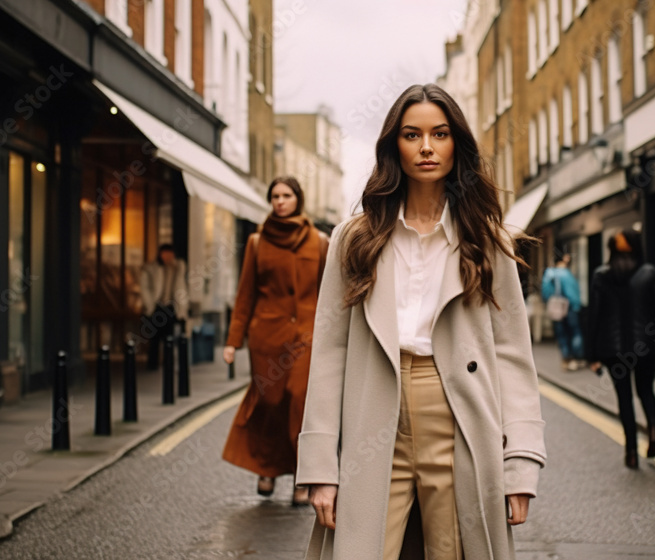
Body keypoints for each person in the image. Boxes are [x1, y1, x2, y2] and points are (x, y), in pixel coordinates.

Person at [296, 84, 546, 560]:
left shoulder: (486, 239)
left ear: (457, 145)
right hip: (373, 406)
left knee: (455, 549)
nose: (427, 147)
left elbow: (513, 355)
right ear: (395, 146)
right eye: (412, 135)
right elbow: (330, 350)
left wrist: (521, 462)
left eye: (440, 134)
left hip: (455, 411)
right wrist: (321, 467)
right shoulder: (355, 239)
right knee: (360, 547)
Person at [222, 176, 329, 507]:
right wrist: (232, 340)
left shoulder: (321, 242)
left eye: (286, 195)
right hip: (266, 337)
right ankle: (266, 469)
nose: (280, 201)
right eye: (275, 196)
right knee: (269, 402)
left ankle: (302, 475)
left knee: (299, 400)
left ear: (298, 198)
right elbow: (246, 294)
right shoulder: (256, 242)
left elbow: (331, 295)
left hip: (308, 336)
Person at [585, 229, 655, 470]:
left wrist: (591, 355)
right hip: (646, 347)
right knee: (646, 391)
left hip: (613, 351)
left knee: (624, 399)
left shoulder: (601, 275)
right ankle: (653, 433)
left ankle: (631, 451)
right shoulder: (649, 273)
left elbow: (594, 316)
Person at [139, 244, 189, 370]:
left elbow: (181, 287)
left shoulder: (178, 268)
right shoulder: (152, 268)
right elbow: (144, 288)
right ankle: (153, 364)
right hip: (156, 307)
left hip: (171, 307)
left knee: (169, 338)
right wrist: (149, 304)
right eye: (165, 254)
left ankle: (168, 364)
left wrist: (182, 310)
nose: (167, 257)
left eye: (170, 254)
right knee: (154, 338)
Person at [541, 252, 583, 370]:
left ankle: (565, 359)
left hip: (556, 308)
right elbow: (573, 295)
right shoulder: (567, 274)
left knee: (561, 334)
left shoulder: (549, 273)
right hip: (570, 308)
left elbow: (545, 293)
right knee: (575, 332)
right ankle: (575, 358)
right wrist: (576, 307)